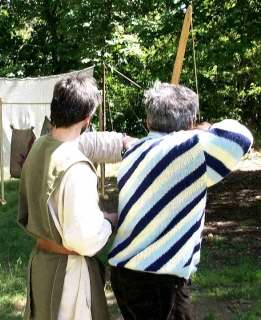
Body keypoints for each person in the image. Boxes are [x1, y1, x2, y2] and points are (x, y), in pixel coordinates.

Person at [108, 81, 254, 319]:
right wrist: (204, 131)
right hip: (159, 279)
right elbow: (241, 136)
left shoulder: (133, 153)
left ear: (148, 122)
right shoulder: (190, 148)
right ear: (190, 123)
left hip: (124, 274)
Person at [18, 75, 138, 319]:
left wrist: (122, 141)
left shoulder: (41, 146)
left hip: (42, 266)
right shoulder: (76, 168)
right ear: (87, 118)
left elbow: (85, 142)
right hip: (67, 276)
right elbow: (84, 238)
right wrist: (109, 221)